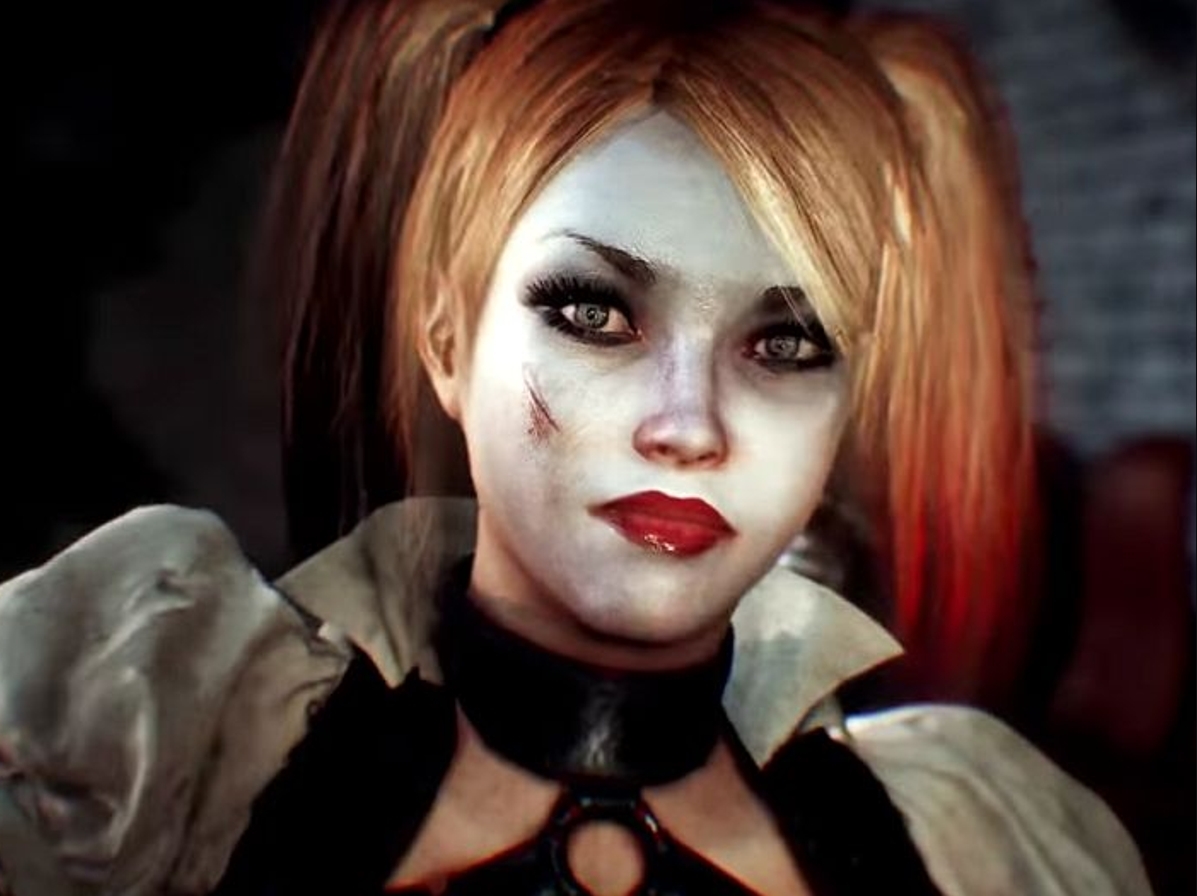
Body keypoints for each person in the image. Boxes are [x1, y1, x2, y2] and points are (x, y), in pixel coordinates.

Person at [0, 1, 1155, 894]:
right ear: (445, 339)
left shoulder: (966, 843)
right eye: (595, 313)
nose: (690, 425)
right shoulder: (153, 739)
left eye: (787, 344)